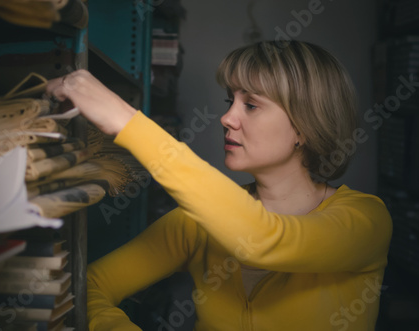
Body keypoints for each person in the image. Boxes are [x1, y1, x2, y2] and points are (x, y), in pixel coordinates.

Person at [47, 40, 392, 331]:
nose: (227, 118)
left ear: (304, 127)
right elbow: (88, 285)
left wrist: (126, 121)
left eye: (252, 105)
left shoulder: (366, 220)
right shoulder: (196, 225)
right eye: (231, 101)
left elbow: (261, 240)